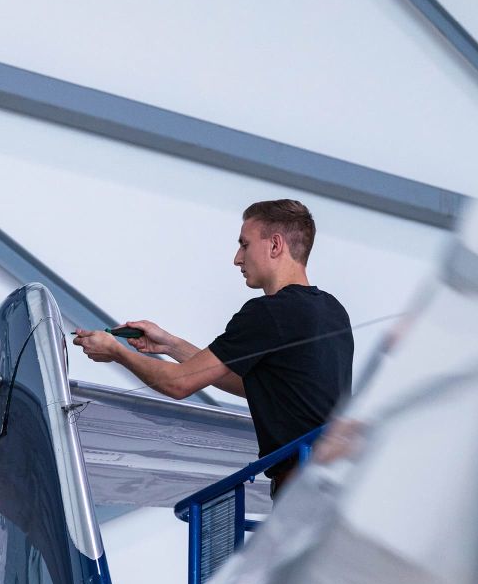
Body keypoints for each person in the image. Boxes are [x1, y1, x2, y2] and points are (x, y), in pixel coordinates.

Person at [73, 199, 353, 498]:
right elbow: (266, 388)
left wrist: (117, 353)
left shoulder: (270, 312)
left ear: (275, 245)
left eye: (244, 245)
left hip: (301, 488)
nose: (237, 258)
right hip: (341, 485)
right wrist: (171, 344)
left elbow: (178, 383)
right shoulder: (332, 310)